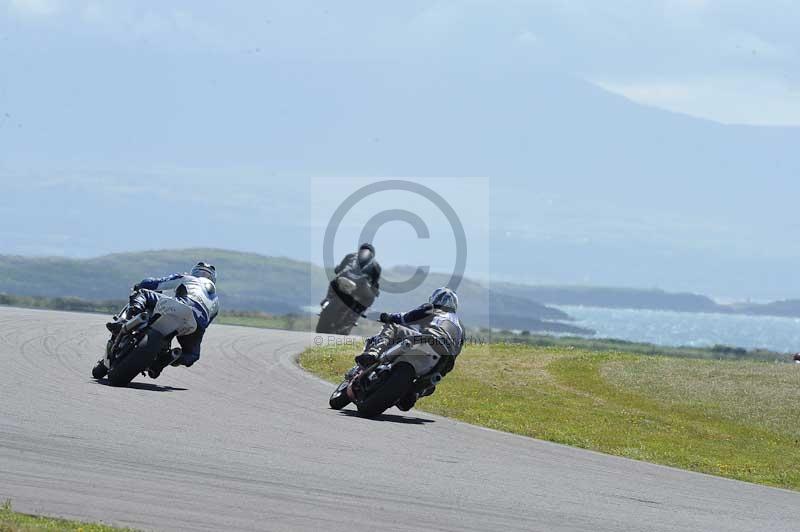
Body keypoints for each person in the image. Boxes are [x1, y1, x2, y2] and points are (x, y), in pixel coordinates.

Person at [355, 287, 464, 411]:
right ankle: (415, 393)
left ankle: (373, 353)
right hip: (446, 357)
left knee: (393, 327)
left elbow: (404, 318)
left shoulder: (431, 308)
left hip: (426, 339)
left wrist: (386, 316)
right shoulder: (460, 326)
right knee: (431, 384)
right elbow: (457, 351)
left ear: (435, 298)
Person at [109, 262, 220, 378]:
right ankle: (165, 360)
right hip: (195, 325)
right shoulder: (216, 302)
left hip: (180, 305)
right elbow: (206, 324)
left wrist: (141, 285)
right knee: (192, 355)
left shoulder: (187, 278)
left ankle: (126, 322)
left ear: (194, 272)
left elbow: (156, 283)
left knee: (142, 294)